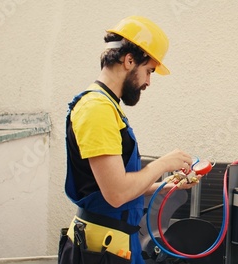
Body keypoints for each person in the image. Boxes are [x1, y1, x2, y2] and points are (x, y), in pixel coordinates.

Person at [58, 16, 200, 264]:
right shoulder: (97, 108)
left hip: (115, 243)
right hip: (102, 251)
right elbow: (116, 192)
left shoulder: (109, 107)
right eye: (148, 71)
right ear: (129, 60)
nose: (148, 82)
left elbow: (121, 186)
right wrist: (164, 163)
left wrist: (169, 186)